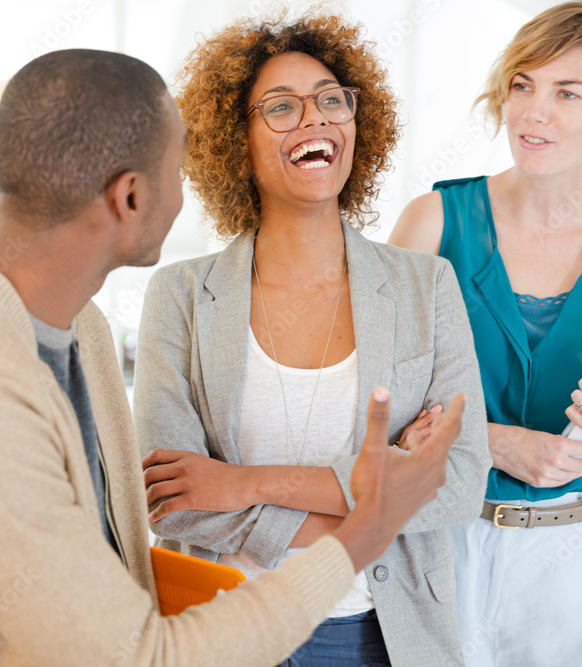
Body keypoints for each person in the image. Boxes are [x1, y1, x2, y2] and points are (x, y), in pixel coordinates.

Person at [0, 49, 467, 666]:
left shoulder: (83, 331)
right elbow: (140, 652)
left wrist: (246, 488)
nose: (186, 190)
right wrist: (365, 528)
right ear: (133, 197)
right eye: (178, 164)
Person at [132, 15, 491, 667]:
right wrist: (372, 516)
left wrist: (240, 483)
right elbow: (171, 499)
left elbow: (461, 481)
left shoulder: (425, 285)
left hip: (377, 636)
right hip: (226, 630)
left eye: (331, 99)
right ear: (235, 141)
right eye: (281, 107)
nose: (316, 118)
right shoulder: (180, 295)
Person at [389, 3, 582, 664]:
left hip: (565, 570)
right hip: (435, 548)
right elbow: (371, 411)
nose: (532, 111)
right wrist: (493, 442)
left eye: (566, 92)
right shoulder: (432, 224)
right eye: (523, 85)